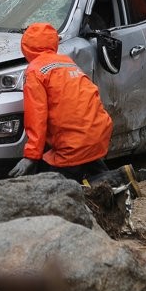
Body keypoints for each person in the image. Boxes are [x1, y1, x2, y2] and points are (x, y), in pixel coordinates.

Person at [9, 22, 114, 181]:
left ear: (26, 46)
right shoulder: (66, 62)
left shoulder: (35, 71)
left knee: (55, 188)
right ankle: (118, 181)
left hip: (72, 144)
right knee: (93, 169)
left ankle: (117, 180)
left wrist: (31, 156)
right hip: (96, 133)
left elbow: (36, 118)